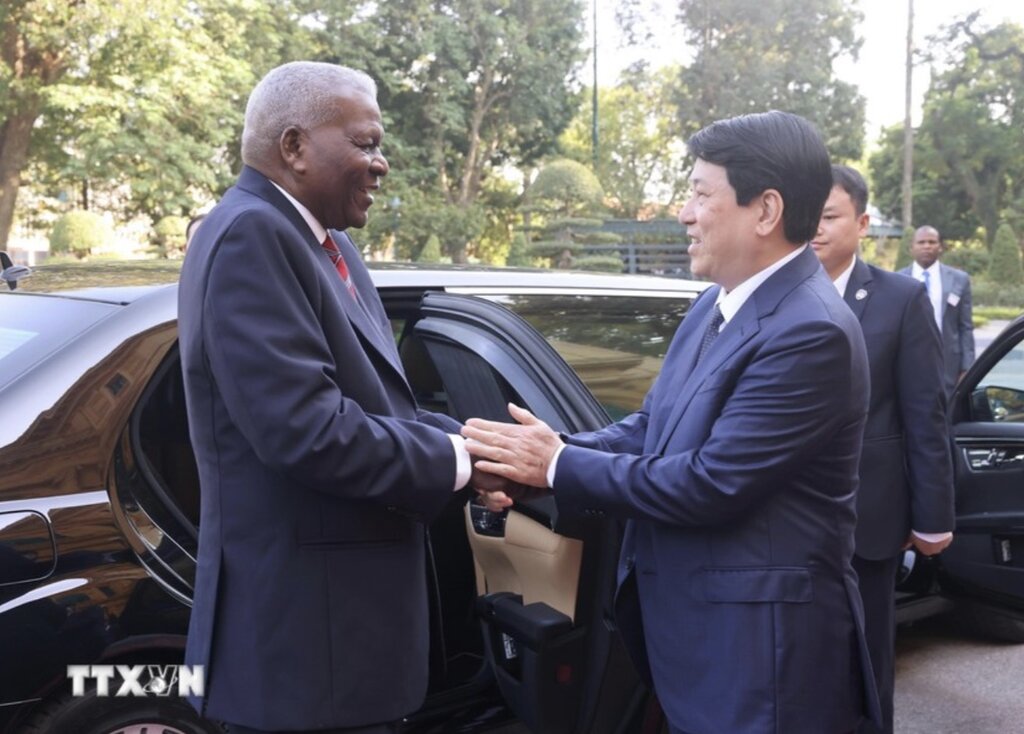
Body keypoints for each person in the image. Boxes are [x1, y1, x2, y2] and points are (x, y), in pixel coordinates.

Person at [464, 111, 881, 734]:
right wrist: (548, 460)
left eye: (699, 194)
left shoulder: (810, 331)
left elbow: (710, 484)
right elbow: (650, 427)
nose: (683, 213)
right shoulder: (717, 302)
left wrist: (554, 463)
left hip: (761, 653)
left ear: (765, 211)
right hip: (699, 634)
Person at [177, 61, 501, 734]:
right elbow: (307, 431)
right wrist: (460, 462)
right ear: (293, 147)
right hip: (303, 657)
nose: (381, 164)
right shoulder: (249, 236)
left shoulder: (331, 247)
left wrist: (479, 446)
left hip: (341, 654)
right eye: (366, 143)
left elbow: (380, 410)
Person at [812, 166, 955, 734]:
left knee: (866, 661)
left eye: (829, 216)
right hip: (782, 515)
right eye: (810, 215)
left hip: (869, 518)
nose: (816, 228)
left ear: (862, 222)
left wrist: (933, 518)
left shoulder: (900, 299)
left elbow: (926, 414)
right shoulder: (772, 291)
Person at [899, 226, 975, 395]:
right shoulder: (897, 279)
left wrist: (967, 367)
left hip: (948, 364)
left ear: (940, 247)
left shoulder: (959, 280)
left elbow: (965, 326)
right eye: (921, 242)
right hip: (909, 362)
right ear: (912, 248)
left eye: (932, 242)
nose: (927, 246)